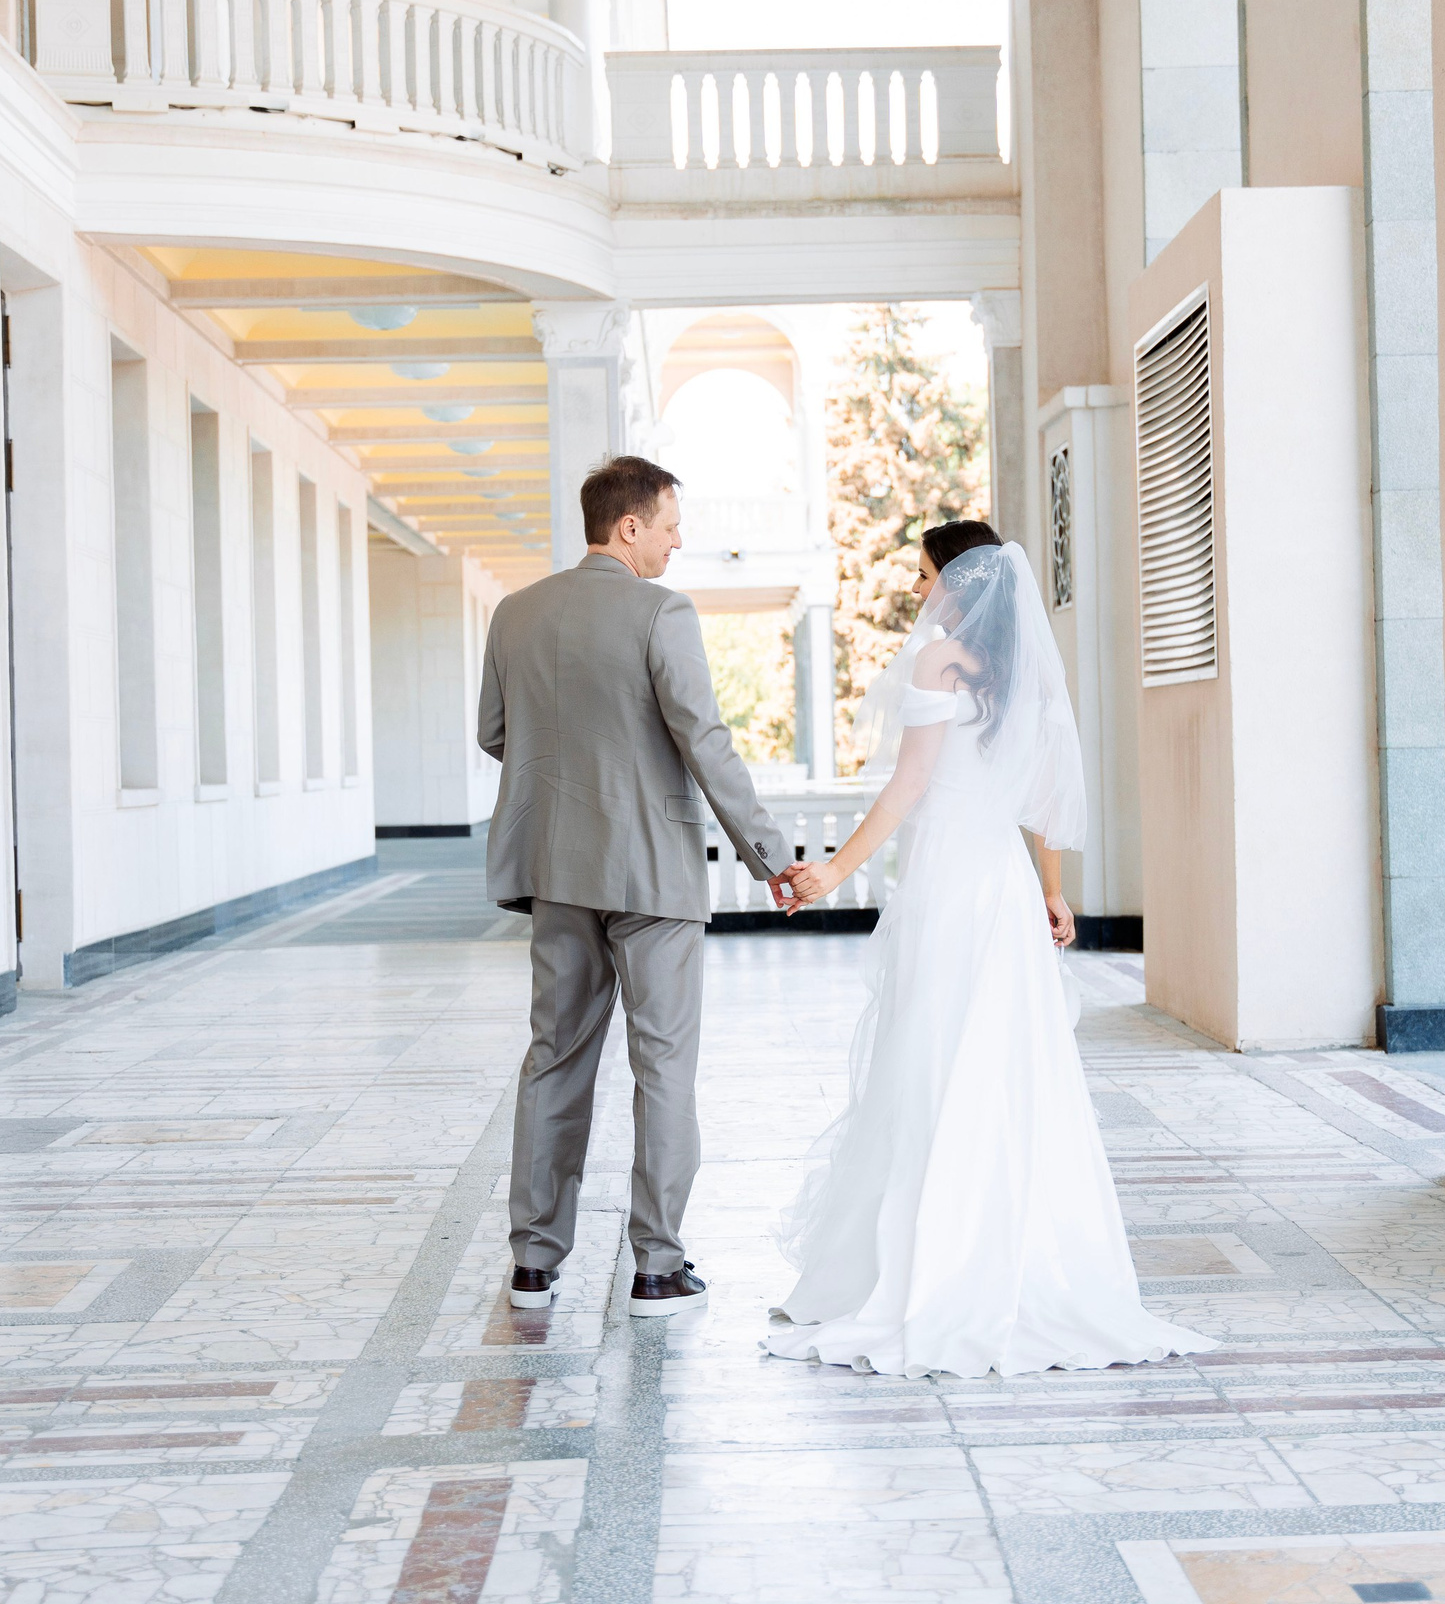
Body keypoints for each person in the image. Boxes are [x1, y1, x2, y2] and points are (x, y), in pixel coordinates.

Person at [767, 521, 1207, 1380]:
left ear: (960, 585)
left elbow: (909, 785)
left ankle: (937, 1263)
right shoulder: (1023, 669)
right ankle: (1026, 1252)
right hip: (1004, 881)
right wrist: (1051, 889)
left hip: (951, 880)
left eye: (926, 574)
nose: (919, 590)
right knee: (1009, 1059)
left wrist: (835, 871)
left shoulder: (938, 660)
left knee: (934, 1051)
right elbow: (1045, 795)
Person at [477, 454, 795, 1317]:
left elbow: (497, 732)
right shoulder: (662, 612)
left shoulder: (514, 612)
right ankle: (657, 1267)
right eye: (669, 526)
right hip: (653, 872)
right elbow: (704, 738)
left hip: (554, 870)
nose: (677, 542)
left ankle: (533, 1265)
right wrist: (771, 854)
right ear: (629, 526)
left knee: (553, 1058)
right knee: (663, 1067)